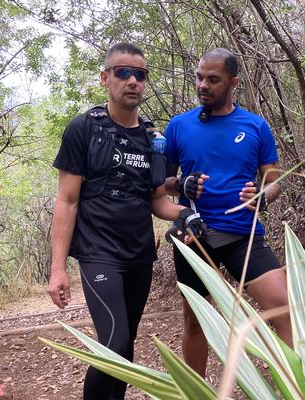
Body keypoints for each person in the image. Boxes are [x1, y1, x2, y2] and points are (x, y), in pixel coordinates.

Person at [47, 42, 203, 400]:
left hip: (139, 255)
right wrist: (58, 269)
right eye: (123, 72)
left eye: (140, 74)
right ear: (105, 78)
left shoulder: (153, 141)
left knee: (125, 345)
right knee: (114, 344)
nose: (133, 80)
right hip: (99, 253)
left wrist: (187, 213)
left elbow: (158, 201)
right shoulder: (83, 129)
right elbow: (67, 201)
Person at [164, 48, 292, 377]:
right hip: (195, 236)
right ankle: (197, 392)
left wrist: (264, 195)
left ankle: (297, 387)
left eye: (213, 79)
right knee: (195, 321)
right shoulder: (178, 126)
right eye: (199, 77)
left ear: (232, 82)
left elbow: (273, 178)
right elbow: (162, 185)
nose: (202, 85)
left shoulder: (255, 125)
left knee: (286, 309)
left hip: (243, 236)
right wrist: (182, 183)